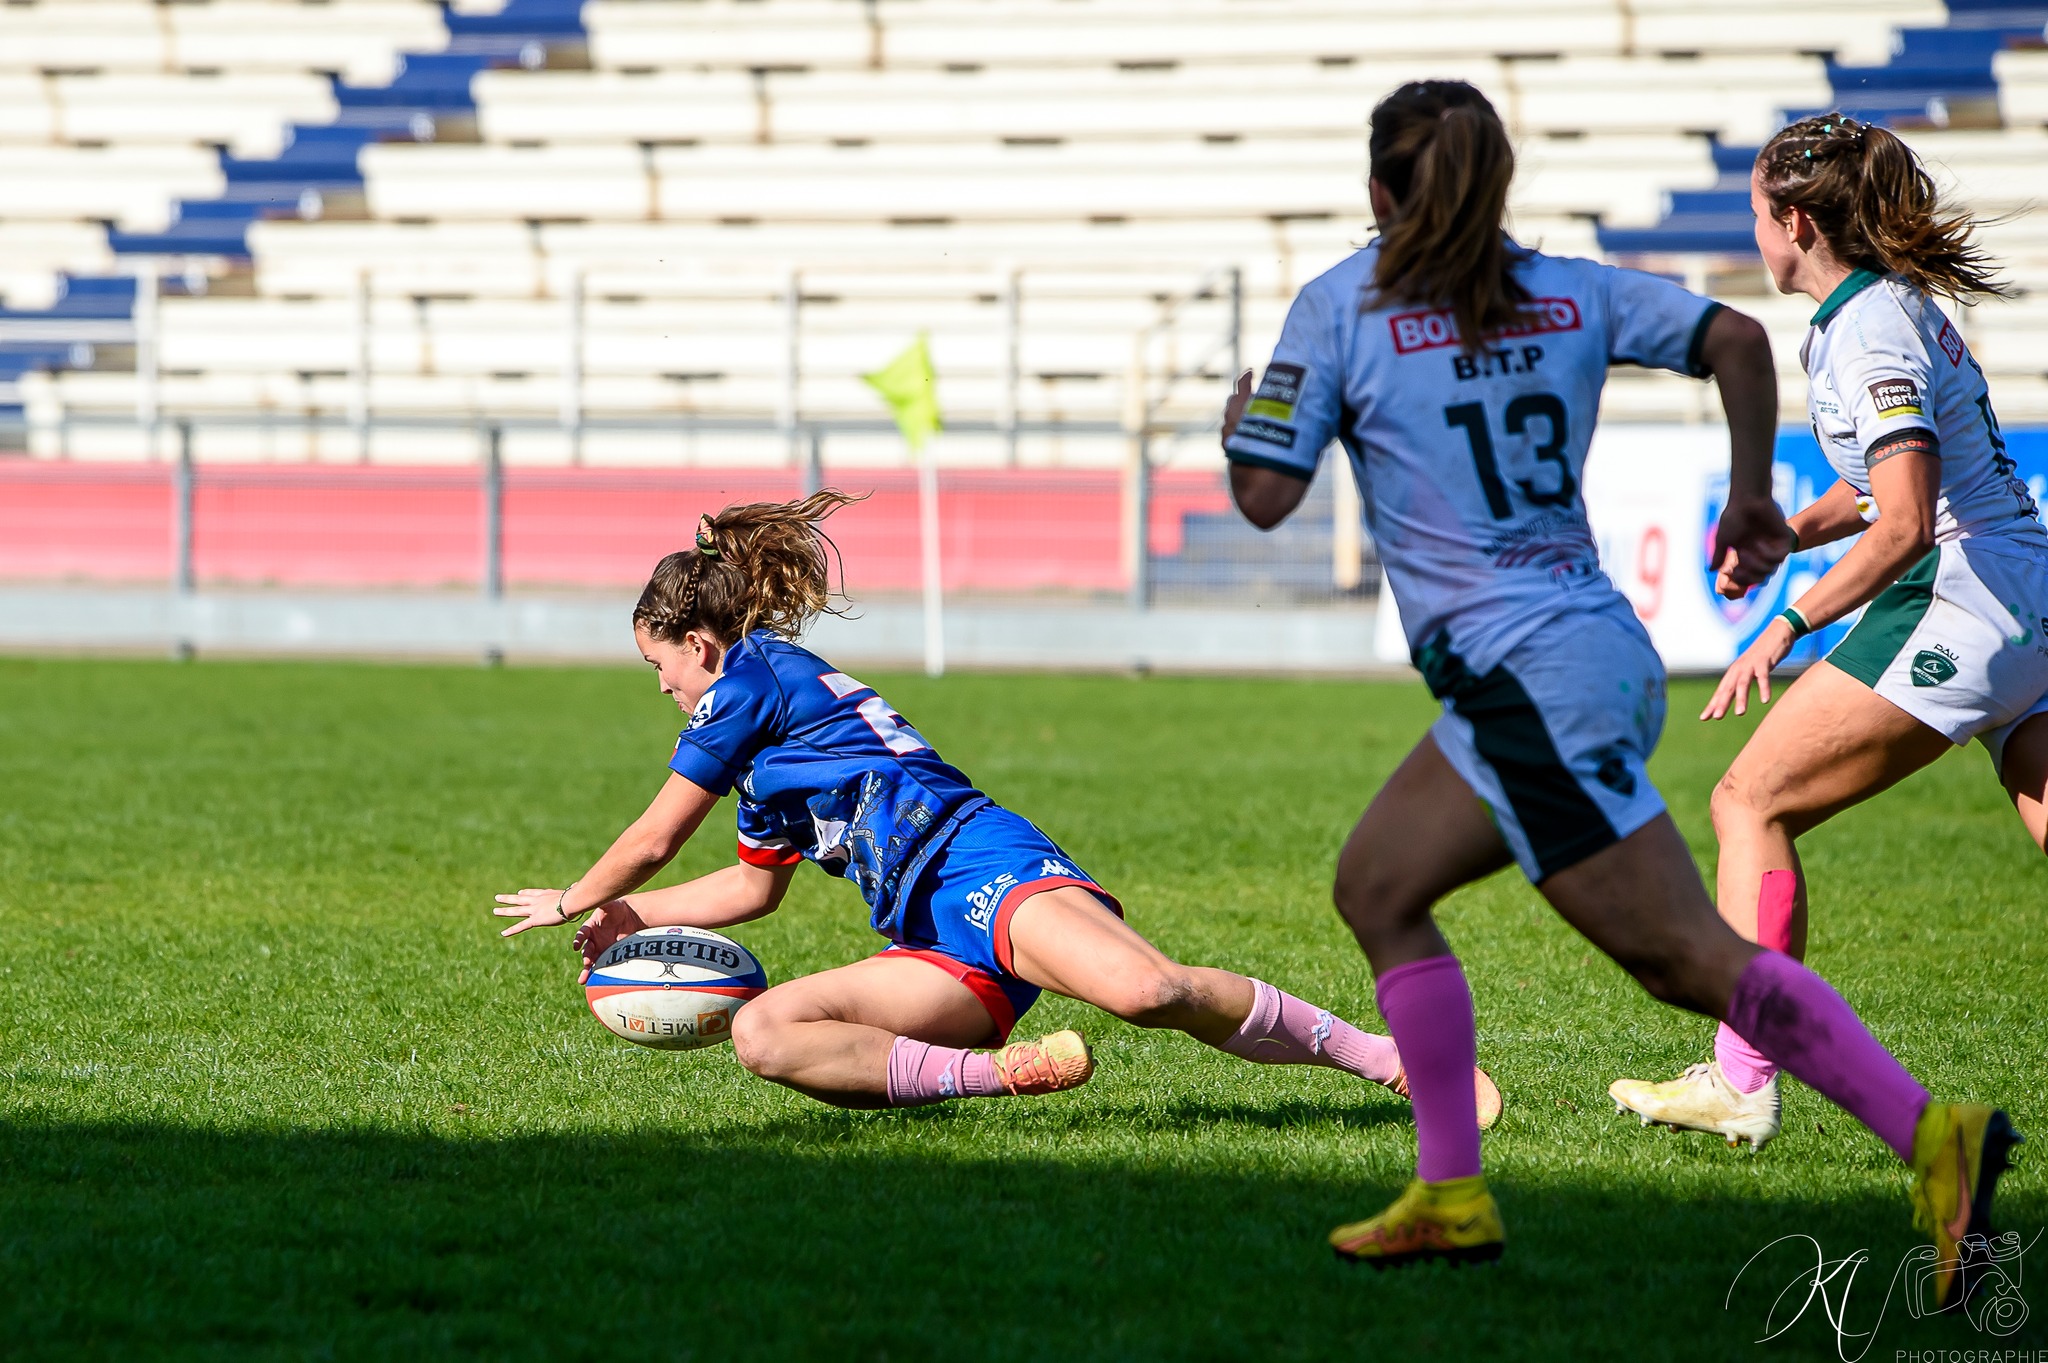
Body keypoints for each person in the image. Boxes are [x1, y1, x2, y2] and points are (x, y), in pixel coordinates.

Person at [1222, 81, 2016, 1301]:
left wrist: (1249, 416)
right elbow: (1731, 340)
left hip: (1521, 681)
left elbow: (1265, 496)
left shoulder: (1342, 304)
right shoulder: (1568, 287)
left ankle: (1927, 1142)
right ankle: (1454, 1193)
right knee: (1388, 886)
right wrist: (1755, 493)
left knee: (1671, 947)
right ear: (1496, 186)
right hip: (1582, 655)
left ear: (1378, 192)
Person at [494, 491, 1502, 1126]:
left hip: (979, 864)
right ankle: (1004, 1075)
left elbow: (656, 832)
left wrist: (579, 893)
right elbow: (754, 887)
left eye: (656, 665)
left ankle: (1401, 1062)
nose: (660, 687)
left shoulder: (749, 677)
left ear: (697, 645)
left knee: (1148, 993)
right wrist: (642, 917)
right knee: (764, 1035)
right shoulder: (763, 757)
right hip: (927, 935)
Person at [1608, 114, 2048, 1154]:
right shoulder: (1879, 310)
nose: (1750, 234)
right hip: (2022, 592)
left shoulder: (1865, 328)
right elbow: (1871, 491)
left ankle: (1738, 1079)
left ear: (1793, 220)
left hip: (1963, 596)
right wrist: (1782, 532)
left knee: (1747, 799)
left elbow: (1903, 521)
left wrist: (1785, 621)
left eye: (1753, 214)